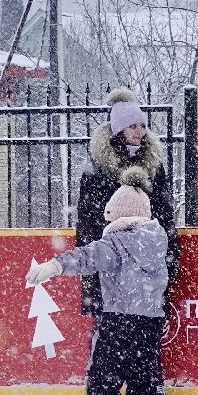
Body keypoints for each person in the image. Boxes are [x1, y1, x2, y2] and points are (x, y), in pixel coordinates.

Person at [27, 168, 170, 395]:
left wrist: (53, 266)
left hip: (119, 322)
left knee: (102, 381)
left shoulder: (117, 243)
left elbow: (87, 256)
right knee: (144, 385)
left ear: (116, 217)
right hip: (149, 324)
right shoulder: (158, 243)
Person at [77, 88, 179, 317]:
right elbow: (87, 217)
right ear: (119, 129)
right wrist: (91, 275)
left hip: (145, 260)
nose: (140, 131)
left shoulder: (153, 164)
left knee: (144, 337)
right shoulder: (98, 167)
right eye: (133, 126)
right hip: (112, 260)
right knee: (111, 335)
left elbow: (164, 212)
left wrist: (170, 256)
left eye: (142, 125)